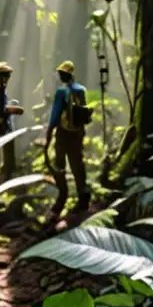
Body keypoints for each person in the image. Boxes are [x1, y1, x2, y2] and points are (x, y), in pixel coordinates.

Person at [45, 60, 90, 215]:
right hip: (77, 133)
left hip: (63, 133)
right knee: (77, 165)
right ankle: (83, 198)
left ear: (65, 75)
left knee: (60, 165)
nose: (60, 76)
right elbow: (83, 114)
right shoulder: (81, 90)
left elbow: (55, 114)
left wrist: (49, 134)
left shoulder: (61, 91)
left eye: (61, 73)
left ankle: (62, 198)